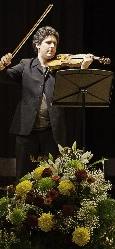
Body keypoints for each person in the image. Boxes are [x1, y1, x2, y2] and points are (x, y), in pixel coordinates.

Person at [0, 26, 94, 180]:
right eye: (48, 42)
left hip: (52, 132)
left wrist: (83, 67)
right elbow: (5, 76)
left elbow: (77, 87)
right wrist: (2, 65)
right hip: (26, 132)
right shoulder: (26, 65)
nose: (52, 46)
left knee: (52, 178)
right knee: (23, 177)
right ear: (37, 45)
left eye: (55, 44)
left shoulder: (60, 69)